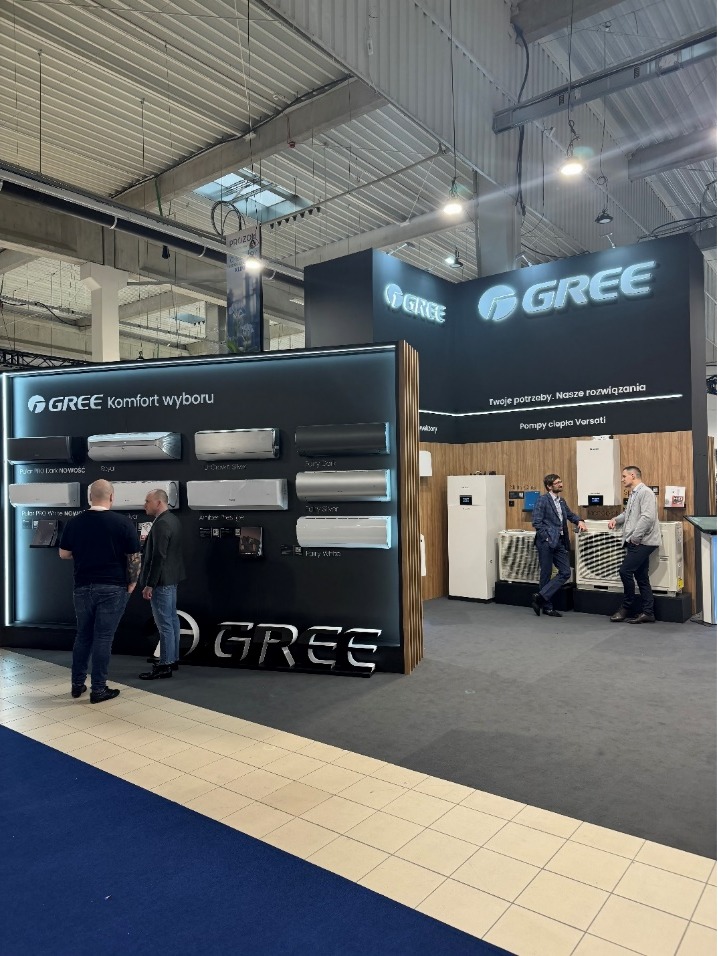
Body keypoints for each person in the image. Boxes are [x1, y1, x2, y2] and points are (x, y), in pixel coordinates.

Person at [59, 479, 141, 703]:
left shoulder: (74, 523)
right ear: (112, 497)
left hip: (83, 586)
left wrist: (85, 553)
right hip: (113, 586)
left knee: (83, 635)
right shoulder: (123, 523)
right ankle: (99, 689)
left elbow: (64, 554)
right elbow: (134, 558)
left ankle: (77, 685)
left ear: (89, 497)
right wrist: (132, 583)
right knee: (103, 638)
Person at [138, 489, 186, 680]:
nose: (144, 505)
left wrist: (150, 584)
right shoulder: (173, 520)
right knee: (171, 620)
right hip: (171, 579)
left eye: (147, 501)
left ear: (158, 502)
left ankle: (165, 665)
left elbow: (159, 557)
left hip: (161, 581)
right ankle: (172, 659)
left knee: (165, 623)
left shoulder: (162, 523)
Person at [608, 465, 661, 623]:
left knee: (625, 571)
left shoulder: (645, 492)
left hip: (643, 542)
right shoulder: (634, 493)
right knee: (641, 577)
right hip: (638, 541)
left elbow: (647, 518)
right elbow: (628, 513)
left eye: (624, 476)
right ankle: (648, 612)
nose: (622, 479)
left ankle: (626, 607)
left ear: (633, 475)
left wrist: (635, 538)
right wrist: (616, 519)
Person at [531, 474, 587, 618]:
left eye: (561, 482)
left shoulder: (561, 501)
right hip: (546, 542)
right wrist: (547, 537)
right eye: (557, 483)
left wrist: (579, 520)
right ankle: (547, 607)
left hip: (560, 541)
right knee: (546, 573)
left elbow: (569, 515)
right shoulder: (543, 500)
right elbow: (536, 522)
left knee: (565, 572)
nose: (561, 484)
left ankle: (540, 597)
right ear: (549, 486)